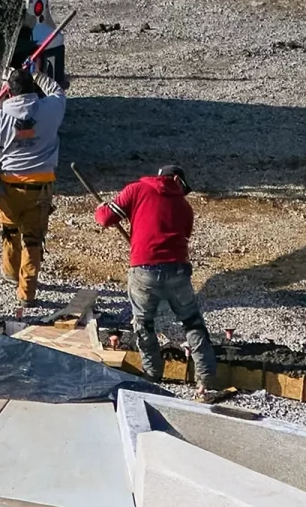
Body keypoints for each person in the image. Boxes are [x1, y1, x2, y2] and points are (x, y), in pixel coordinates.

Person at [95, 163, 223, 398]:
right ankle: (205, 381)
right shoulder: (184, 207)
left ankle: (152, 376)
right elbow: (182, 236)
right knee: (192, 322)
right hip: (177, 271)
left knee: (144, 324)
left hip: (144, 270)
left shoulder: (136, 190)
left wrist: (100, 208)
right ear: (177, 181)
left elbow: (105, 219)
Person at [0, 61, 66, 307]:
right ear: (33, 90)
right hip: (40, 189)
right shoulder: (51, 109)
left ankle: (10, 273)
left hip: (11, 187)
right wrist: (37, 73)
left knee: (10, 231)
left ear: (9, 92)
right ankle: (26, 293)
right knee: (33, 240)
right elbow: (57, 91)